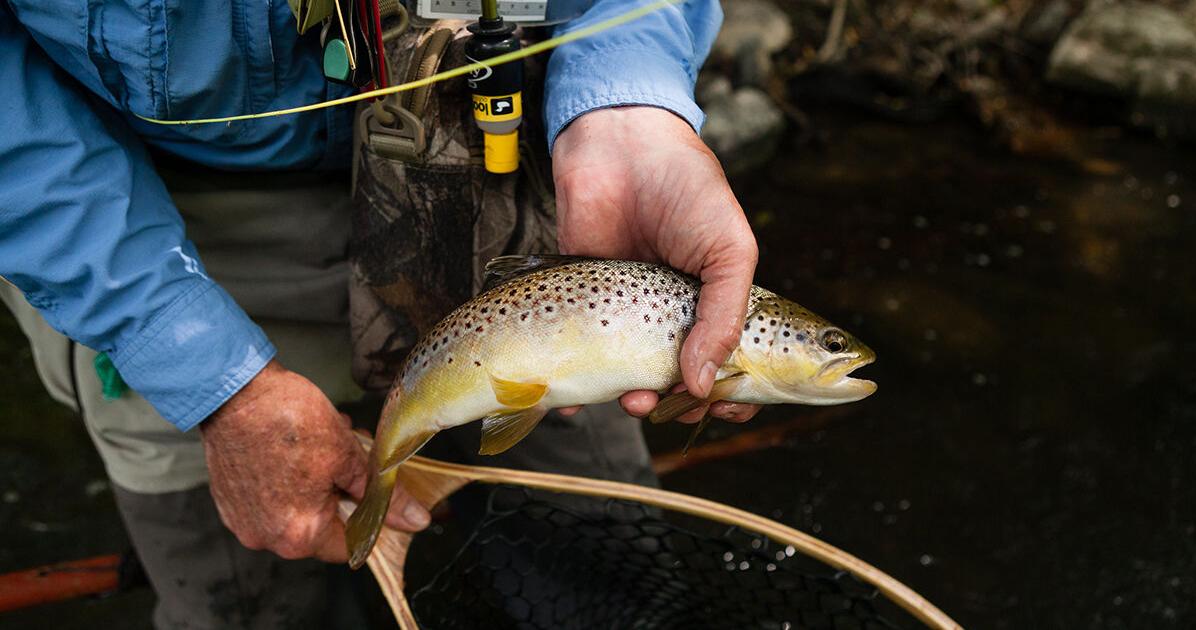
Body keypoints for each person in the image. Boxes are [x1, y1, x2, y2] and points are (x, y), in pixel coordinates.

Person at [0, 0, 759, 626]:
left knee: (607, 575)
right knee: (252, 603)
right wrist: (202, 370)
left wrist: (627, 108)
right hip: (146, 223)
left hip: (523, 190)